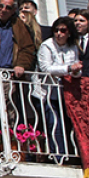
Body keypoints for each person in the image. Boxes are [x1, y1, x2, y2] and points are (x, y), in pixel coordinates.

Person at [35, 16, 80, 158]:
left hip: (67, 93)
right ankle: (58, 157)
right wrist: (68, 69)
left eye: (63, 30)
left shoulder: (73, 47)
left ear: (69, 33)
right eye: (56, 30)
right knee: (55, 125)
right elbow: (46, 68)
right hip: (48, 92)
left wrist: (76, 72)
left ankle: (73, 156)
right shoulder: (46, 45)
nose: (59, 33)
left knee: (70, 125)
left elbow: (77, 67)